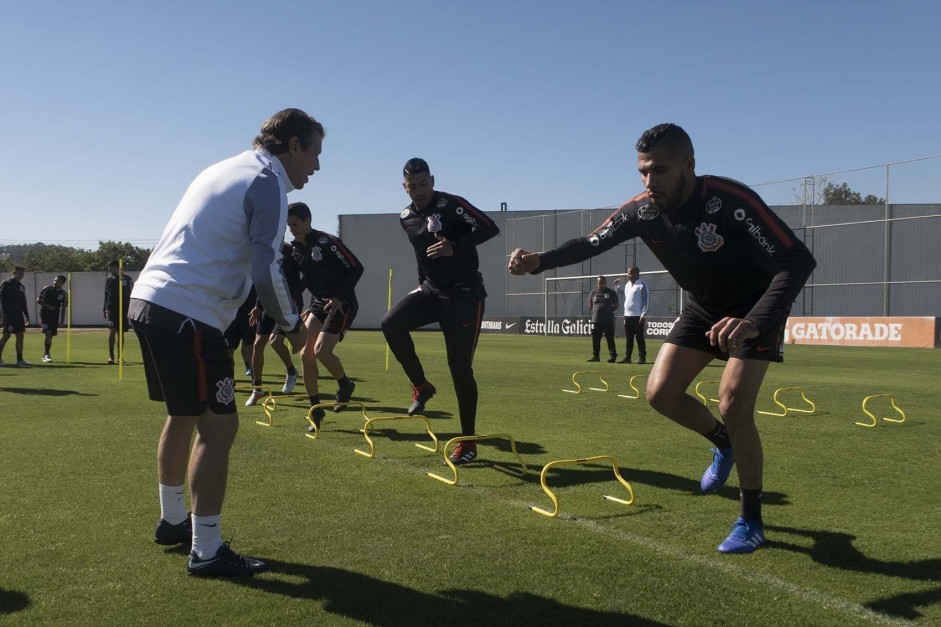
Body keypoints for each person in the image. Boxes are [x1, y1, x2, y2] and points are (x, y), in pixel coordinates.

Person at [509, 123, 816, 553]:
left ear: (688, 165)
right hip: (704, 308)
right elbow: (591, 242)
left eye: (660, 170)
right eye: (643, 172)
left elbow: (797, 260)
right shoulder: (643, 211)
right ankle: (722, 441)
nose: (649, 181)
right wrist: (539, 261)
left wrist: (754, 320)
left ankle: (751, 519)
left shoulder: (730, 201)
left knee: (733, 402)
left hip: (753, 309)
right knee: (660, 393)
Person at [128, 108, 318, 576]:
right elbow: (266, 267)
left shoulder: (222, 167)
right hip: (189, 312)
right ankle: (207, 549)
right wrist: (293, 326)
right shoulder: (266, 180)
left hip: (150, 300)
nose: (316, 166)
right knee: (219, 428)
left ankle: (174, 519)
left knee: (184, 414)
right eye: (314, 152)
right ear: (292, 145)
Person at [381, 158, 500, 465]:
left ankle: (468, 442)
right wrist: (422, 284)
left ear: (432, 180)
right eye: (412, 186)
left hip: (465, 295)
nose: (419, 191)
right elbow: (421, 255)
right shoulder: (405, 216)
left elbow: (490, 227)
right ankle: (421, 386)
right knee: (391, 323)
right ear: (404, 187)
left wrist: (455, 246)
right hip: (432, 290)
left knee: (459, 369)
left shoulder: (452, 205)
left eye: (423, 184)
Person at [286, 201, 363, 431]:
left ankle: (345, 384)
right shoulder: (295, 250)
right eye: (289, 225)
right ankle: (316, 411)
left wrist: (339, 298)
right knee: (306, 355)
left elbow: (356, 267)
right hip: (318, 304)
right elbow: (306, 281)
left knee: (321, 351)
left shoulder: (327, 242)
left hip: (342, 303)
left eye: (296, 224)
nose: (292, 229)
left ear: (308, 220)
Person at [245, 241, 304, 405]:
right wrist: (257, 306)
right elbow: (262, 280)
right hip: (268, 303)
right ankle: (257, 389)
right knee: (257, 344)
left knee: (276, 341)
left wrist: (295, 295)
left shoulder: (291, 251)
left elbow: (308, 274)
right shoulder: (263, 251)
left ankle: (291, 371)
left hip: (288, 304)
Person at [613, 266, 649, 363]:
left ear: (637, 273)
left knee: (639, 337)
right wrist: (617, 287)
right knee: (629, 338)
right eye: (628, 273)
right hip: (627, 315)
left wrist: (643, 315)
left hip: (638, 316)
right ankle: (627, 358)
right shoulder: (628, 284)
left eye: (631, 273)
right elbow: (626, 296)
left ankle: (642, 358)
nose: (629, 275)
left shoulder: (642, 284)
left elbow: (646, 301)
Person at [104, 260, 134, 364]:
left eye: (111, 267)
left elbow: (132, 294)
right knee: (112, 331)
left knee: (121, 333)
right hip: (112, 309)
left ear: (117, 267)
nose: (109, 269)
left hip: (124, 309)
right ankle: (111, 355)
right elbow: (106, 294)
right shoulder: (109, 279)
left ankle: (120, 356)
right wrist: (105, 308)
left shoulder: (128, 279)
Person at [0, 266, 31, 367]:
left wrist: (26, 315)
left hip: (18, 315)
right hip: (8, 315)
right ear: (13, 273)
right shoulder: (6, 284)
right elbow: (1, 298)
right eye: (18, 274)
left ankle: (19, 359)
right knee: (6, 335)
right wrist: (3, 312)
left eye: (22, 275)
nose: (20, 276)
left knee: (20, 335)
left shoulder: (21, 286)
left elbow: (23, 302)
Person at [224, 286, 258, 378]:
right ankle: (230, 380)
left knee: (250, 346)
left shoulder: (252, 277)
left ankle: (255, 382)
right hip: (231, 318)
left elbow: (260, 294)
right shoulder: (230, 278)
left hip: (248, 317)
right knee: (228, 350)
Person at [587, 275, 618, 363]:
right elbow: (590, 305)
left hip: (608, 320)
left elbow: (616, 305)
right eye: (599, 283)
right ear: (596, 284)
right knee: (595, 339)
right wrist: (597, 312)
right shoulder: (593, 293)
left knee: (610, 339)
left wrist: (608, 311)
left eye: (603, 283)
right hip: (596, 321)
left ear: (606, 283)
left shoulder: (611, 292)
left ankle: (613, 356)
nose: (601, 285)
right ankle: (596, 356)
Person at [37, 274, 69, 362]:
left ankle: (45, 353)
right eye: (54, 280)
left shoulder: (64, 294)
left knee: (50, 336)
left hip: (54, 316)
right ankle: (47, 354)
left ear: (62, 283)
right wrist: (48, 306)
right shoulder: (47, 289)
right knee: (48, 333)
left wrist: (62, 321)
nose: (55, 282)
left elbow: (63, 308)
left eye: (57, 281)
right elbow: (38, 300)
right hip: (44, 315)